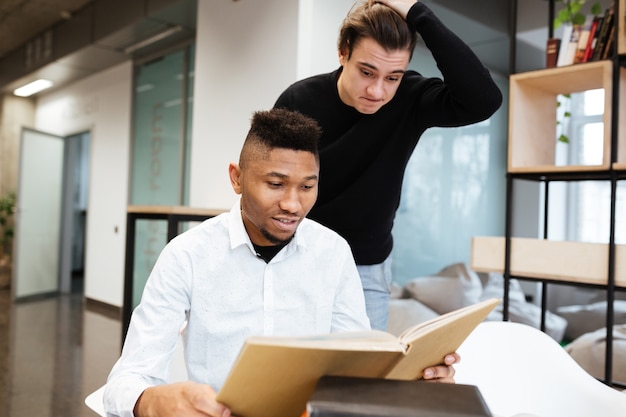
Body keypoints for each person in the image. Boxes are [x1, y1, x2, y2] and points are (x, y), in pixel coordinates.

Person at [104, 108, 459, 417]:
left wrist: (414, 378)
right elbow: (126, 380)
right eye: (276, 184)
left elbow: (356, 365)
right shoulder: (187, 255)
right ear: (237, 178)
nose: (293, 204)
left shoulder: (333, 253)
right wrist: (150, 402)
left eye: (307, 187)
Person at [274, 0, 503, 331]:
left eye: (392, 77)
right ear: (343, 53)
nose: (377, 91)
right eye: (366, 72)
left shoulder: (409, 97)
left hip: (368, 267)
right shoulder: (298, 102)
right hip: (298, 258)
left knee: (363, 379)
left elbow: (484, 100)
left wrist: (417, 13)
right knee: (290, 372)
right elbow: (268, 186)